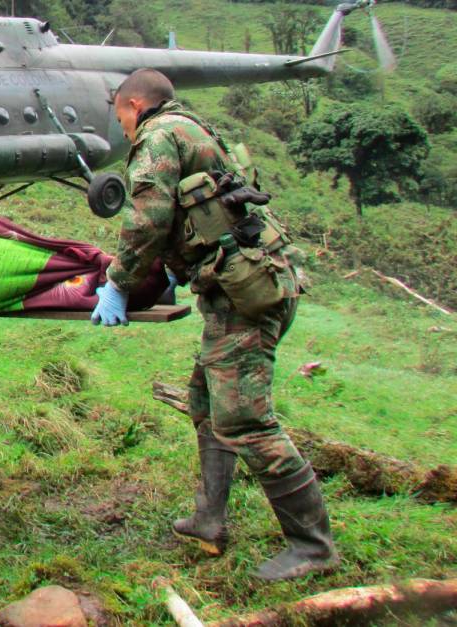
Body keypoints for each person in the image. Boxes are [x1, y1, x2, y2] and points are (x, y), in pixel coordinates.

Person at [95, 68, 337, 581]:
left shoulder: (158, 137)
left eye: (119, 114)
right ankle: (209, 519)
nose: (120, 127)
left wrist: (118, 281)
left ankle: (313, 546)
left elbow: (147, 219)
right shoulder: (194, 128)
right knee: (206, 405)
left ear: (135, 105)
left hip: (242, 294)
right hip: (247, 280)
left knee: (246, 422)